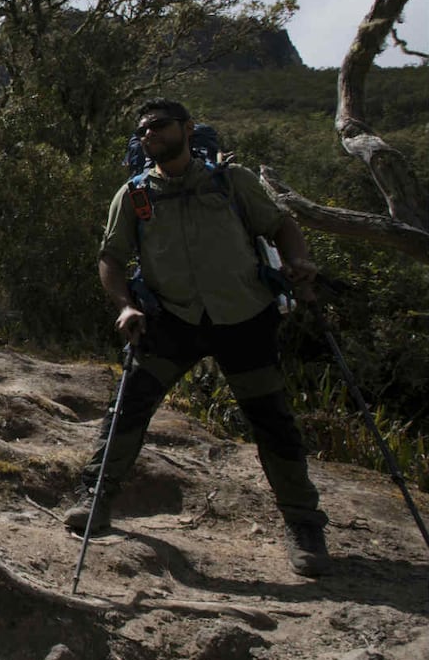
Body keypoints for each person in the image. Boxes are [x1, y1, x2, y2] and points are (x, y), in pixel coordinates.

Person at [63, 98, 331, 577]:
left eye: (160, 126)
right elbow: (111, 257)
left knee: (271, 421)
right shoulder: (135, 194)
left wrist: (298, 262)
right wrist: (126, 305)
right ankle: (94, 500)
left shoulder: (233, 182)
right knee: (128, 409)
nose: (150, 135)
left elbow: (281, 224)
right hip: (172, 320)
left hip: (244, 317)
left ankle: (305, 526)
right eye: (144, 130)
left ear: (187, 128)